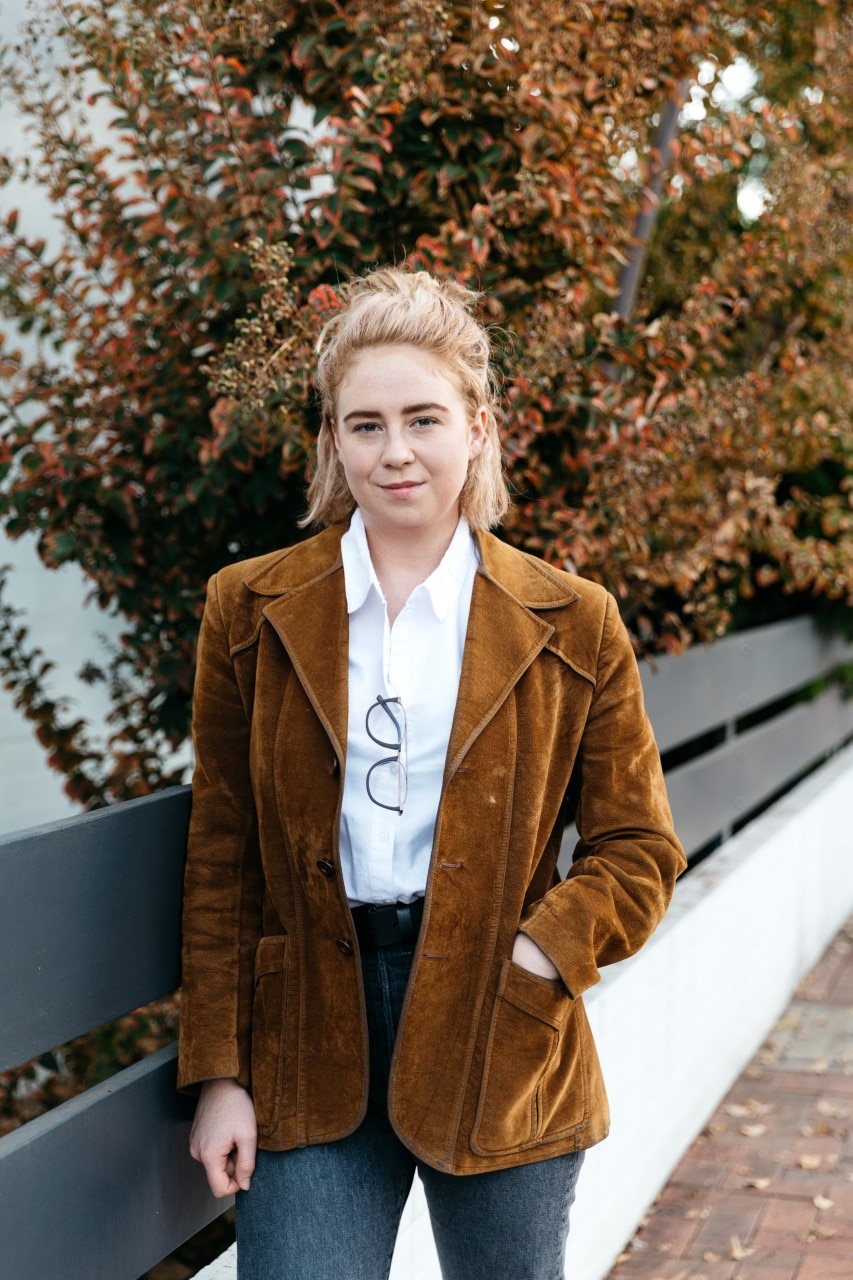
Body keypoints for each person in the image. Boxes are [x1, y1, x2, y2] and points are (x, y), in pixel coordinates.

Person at [178, 268, 686, 1280]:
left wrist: (539, 956)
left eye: (422, 418)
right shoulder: (249, 608)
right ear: (332, 440)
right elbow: (221, 860)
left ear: (478, 429)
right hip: (306, 1031)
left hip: (501, 1028)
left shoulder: (571, 620)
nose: (395, 450)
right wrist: (219, 1074)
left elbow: (639, 848)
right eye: (364, 424)